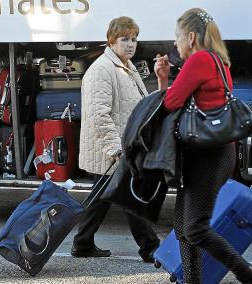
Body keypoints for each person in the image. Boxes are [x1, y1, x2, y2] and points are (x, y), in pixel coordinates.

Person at [154, 8, 252, 284]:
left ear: (192, 37)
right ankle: (192, 281)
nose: (175, 43)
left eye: (178, 37)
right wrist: (165, 80)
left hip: (209, 155)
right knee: (182, 228)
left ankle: (247, 273)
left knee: (194, 229)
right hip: (207, 153)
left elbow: (170, 104)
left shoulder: (199, 60)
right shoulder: (218, 60)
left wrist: (163, 82)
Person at [70, 16, 160, 262]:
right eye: (125, 39)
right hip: (111, 149)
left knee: (100, 198)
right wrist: (116, 150)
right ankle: (150, 248)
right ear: (111, 40)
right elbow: (99, 115)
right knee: (131, 197)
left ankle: (82, 243)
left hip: (122, 146)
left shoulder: (125, 66)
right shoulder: (102, 70)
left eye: (134, 39)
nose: (131, 44)